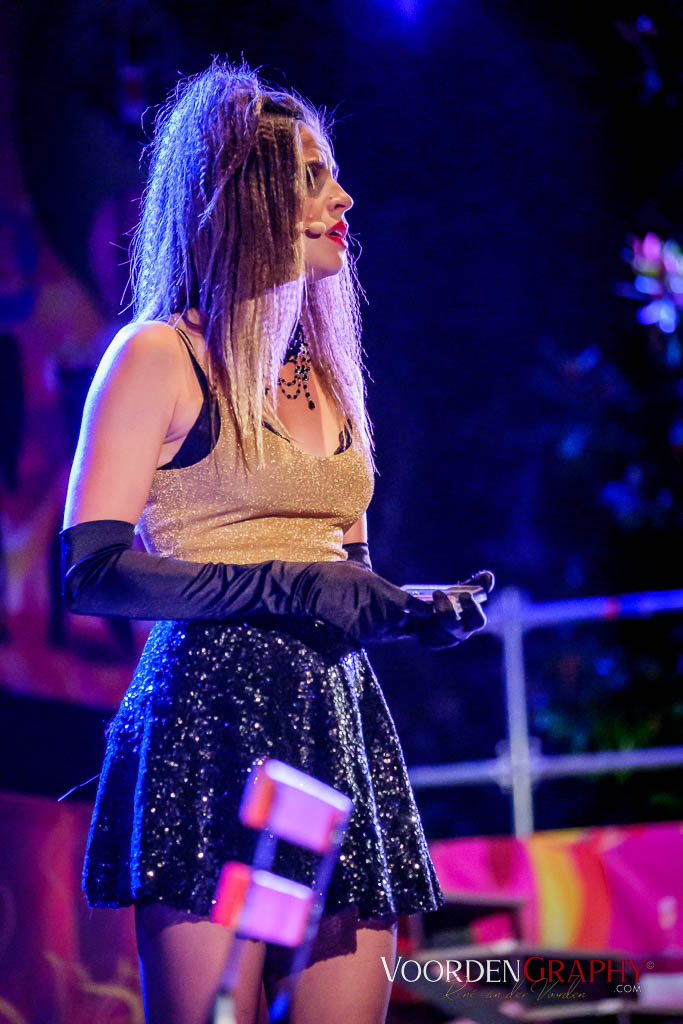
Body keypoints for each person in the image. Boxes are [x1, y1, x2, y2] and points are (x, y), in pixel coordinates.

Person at [59, 59, 494, 1024]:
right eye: (311, 178)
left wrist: (405, 610)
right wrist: (292, 588)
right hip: (210, 726)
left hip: (334, 717)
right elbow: (91, 572)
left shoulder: (330, 379)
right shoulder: (158, 356)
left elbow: (344, 573)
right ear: (241, 196)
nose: (342, 199)